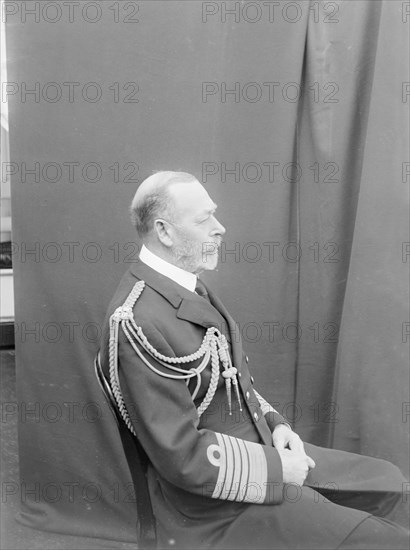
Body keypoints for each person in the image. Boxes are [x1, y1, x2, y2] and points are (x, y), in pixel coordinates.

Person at [100, 171, 409, 549]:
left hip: (259, 449)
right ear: (164, 232)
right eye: (204, 219)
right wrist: (279, 471)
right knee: (386, 541)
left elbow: (229, 381)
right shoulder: (136, 321)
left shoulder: (185, 285)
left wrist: (276, 424)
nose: (220, 227)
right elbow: (180, 456)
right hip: (214, 506)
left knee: (387, 482)